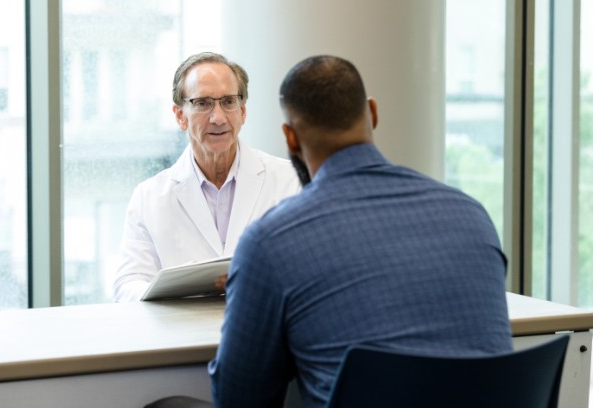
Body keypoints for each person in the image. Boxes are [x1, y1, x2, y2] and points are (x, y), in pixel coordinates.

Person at [206, 55, 513, 407]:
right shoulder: (472, 215)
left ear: (290, 137)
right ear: (373, 114)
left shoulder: (271, 241)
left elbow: (239, 398)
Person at [113, 52, 300, 302]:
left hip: (266, 335)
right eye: (203, 103)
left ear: (242, 112)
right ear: (180, 116)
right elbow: (126, 285)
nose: (218, 117)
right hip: (183, 337)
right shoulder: (149, 197)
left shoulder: (291, 181)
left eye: (228, 102)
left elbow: (316, 270)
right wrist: (176, 285)